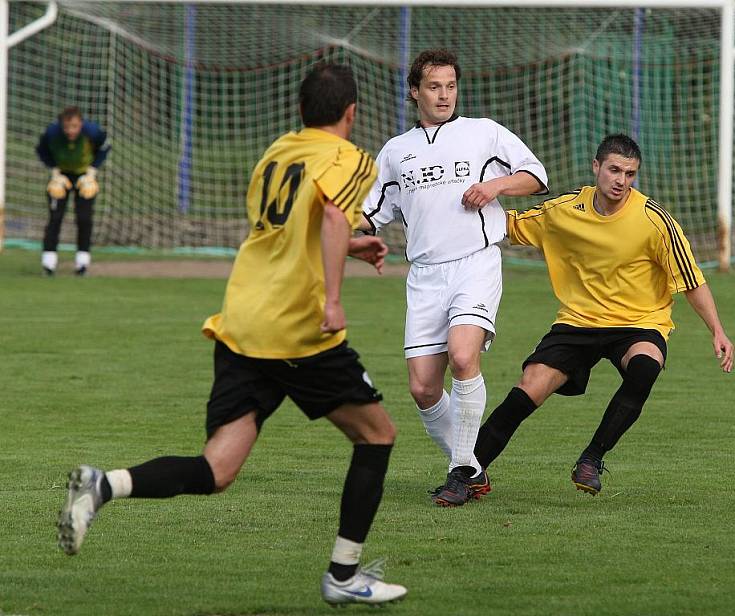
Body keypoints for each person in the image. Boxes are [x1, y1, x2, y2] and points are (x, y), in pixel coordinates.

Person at [56, 63, 407, 607]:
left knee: (217, 470)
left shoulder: (277, 151)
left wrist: (349, 248)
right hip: (297, 328)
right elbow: (336, 218)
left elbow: (288, 231)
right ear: (351, 113)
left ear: (298, 111)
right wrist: (334, 297)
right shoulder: (349, 157)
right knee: (377, 435)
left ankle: (102, 486)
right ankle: (343, 576)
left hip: (241, 321)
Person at [469, 134, 735, 495]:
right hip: (578, 322)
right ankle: (468, 472)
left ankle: (592, 458)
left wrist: (717, 331)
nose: (621, 180)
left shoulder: (654, 220)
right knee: (528, 389)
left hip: (638, 323)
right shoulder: (563, 210)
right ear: (596, 167)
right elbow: (507, 226)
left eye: (629, 173)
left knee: (645, 368)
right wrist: (463, 200)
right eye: (614, 170)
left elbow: (691, 280)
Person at [360, 49, 548, 507]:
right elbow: (370, 215)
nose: (444, 94)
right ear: (414, 91)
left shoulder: (483, 133)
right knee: (423, 387)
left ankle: (459, 472)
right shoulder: (396, 152)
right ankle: (471, 468)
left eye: (450, 85)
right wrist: (337, 234)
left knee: (464, 357)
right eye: (433, 86)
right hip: (424, 276)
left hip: (475, 264)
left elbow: (536, 175)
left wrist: (495, 187)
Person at [36, 106, 110, 276]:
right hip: (61, 176)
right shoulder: (52, 133)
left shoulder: (92, 132)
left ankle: (82, 262)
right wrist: (54, 171)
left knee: (84, 218)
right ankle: (49, 263)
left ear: (81, 124)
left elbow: (105, 147)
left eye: (74, 126)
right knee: (55, 217)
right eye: (67, 127)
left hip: (84, 176)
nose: (70, 130)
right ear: (61, 125)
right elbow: (41, 150)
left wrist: (92, 171)